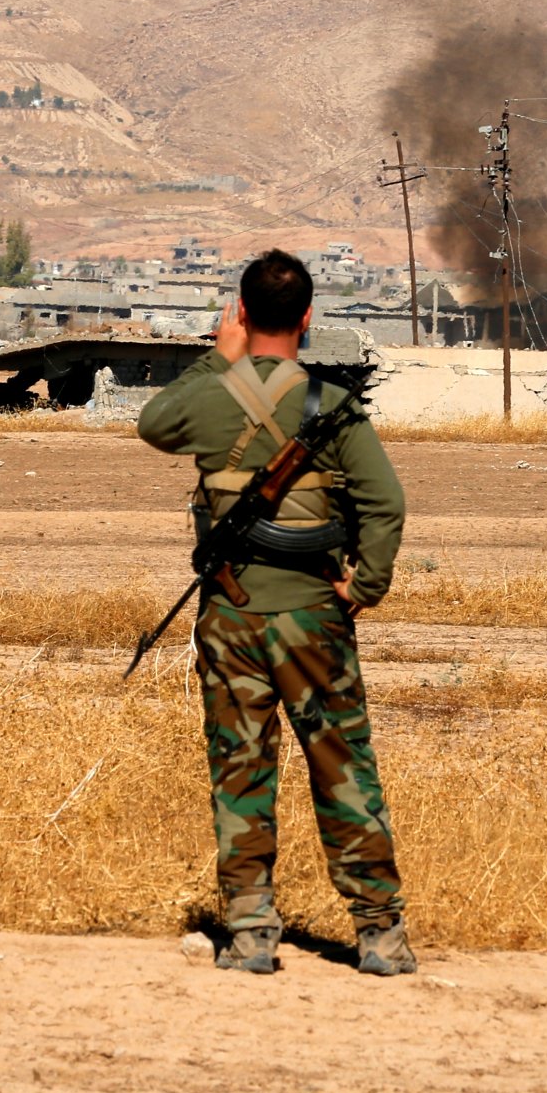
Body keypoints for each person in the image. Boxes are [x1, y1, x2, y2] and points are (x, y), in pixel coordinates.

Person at [135, 248, 413, 976]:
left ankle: (252, 930)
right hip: (315, 620)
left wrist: (213, 361)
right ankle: (380, 933)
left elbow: (154, 423)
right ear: (309, 318)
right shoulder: (334, 403)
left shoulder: (210, 391)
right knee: (343, 768)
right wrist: (366, 585)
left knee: (241, 770)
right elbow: (384, 500)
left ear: (242, 314)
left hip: (231, 617)